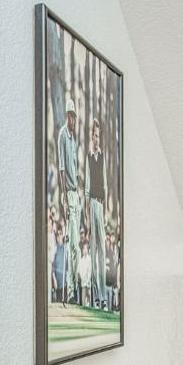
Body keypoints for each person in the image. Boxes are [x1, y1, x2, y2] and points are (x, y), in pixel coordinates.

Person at [57, 97, 83, 304]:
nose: (72, 119)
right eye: (70, 115)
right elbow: (62, 170)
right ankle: (71, 291)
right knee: (71, 244)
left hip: (77, 194)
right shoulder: (62, 136)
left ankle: (74, 289)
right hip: (69, 195)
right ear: (67, 116)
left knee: (76, 246)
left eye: (74, 116)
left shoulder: (74, 140)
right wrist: (64, 200)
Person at [85, 116, 108, 309]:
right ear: (90, 137)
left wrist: (106, 211)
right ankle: (95, 297)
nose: (96, 139)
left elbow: (106, 184)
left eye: (98, 136)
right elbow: (86, 187)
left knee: (102, 252)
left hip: (100, 205)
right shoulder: (89, 157)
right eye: (94, 136)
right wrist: (86, 215)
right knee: (93, 252)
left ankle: (102, 296)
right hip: (91, 204)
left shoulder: (102, 158)